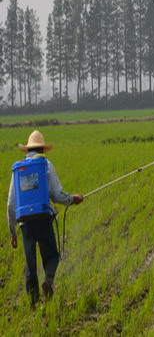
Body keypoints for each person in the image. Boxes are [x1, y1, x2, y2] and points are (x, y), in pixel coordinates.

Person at [7, 130, 84, 308]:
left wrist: (13, 232)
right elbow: (57, 195)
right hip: (43, 218)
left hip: (25, 224)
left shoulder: (18, 170)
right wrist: (73, 199)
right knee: (52, 256)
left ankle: (33, 306)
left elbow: (11, 204)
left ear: (27, 150)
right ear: (42, 149)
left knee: (30, 265)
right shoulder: (46, 165)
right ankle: (48, 280)